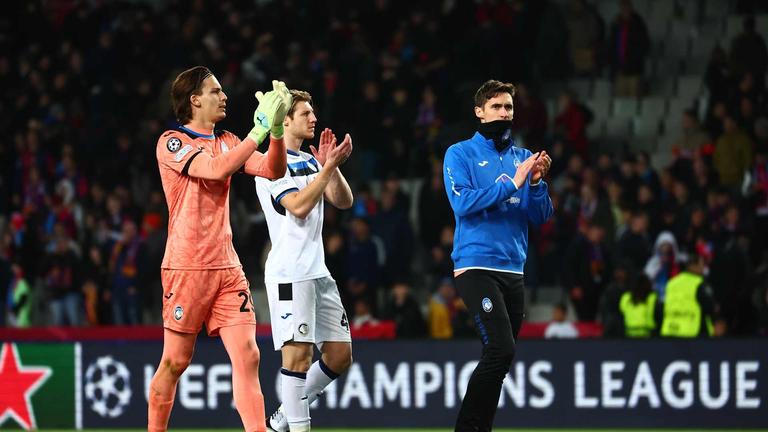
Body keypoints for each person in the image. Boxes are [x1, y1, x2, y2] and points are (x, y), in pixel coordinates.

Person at [148, 66, 291, 432]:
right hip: (187, 267)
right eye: (215, 91)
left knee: (248, 354)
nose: (224, 96)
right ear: (194, 100)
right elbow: (214, 171)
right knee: (175, 362)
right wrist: (256, 132)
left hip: (227, 268)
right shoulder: (172, 142)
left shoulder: (228, 139)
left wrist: (274, 132)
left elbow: (273, 171)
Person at [442, 79, 553, 431]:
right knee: (501, 350)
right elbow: (462, 203)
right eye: (496, 107)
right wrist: (512, 182)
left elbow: (540, 216)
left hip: (513, 270)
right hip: (475, 266)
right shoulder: (460, 154)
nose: (504, 113)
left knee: (500, 360)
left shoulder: (523, 158)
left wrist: (535, 183)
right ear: (479, 112)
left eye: (508, 108)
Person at [253, 90, 354, 432]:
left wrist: (331, 168)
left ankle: (281, 418)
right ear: (285, 121)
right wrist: (326, 170)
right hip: (290, 273)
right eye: (306, 113)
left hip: (318, 272)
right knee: (297, 360)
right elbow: (297, 206)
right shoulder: (270, 164)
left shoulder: (311, 162)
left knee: (340, 355)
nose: (314, 118)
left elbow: (344, 201)